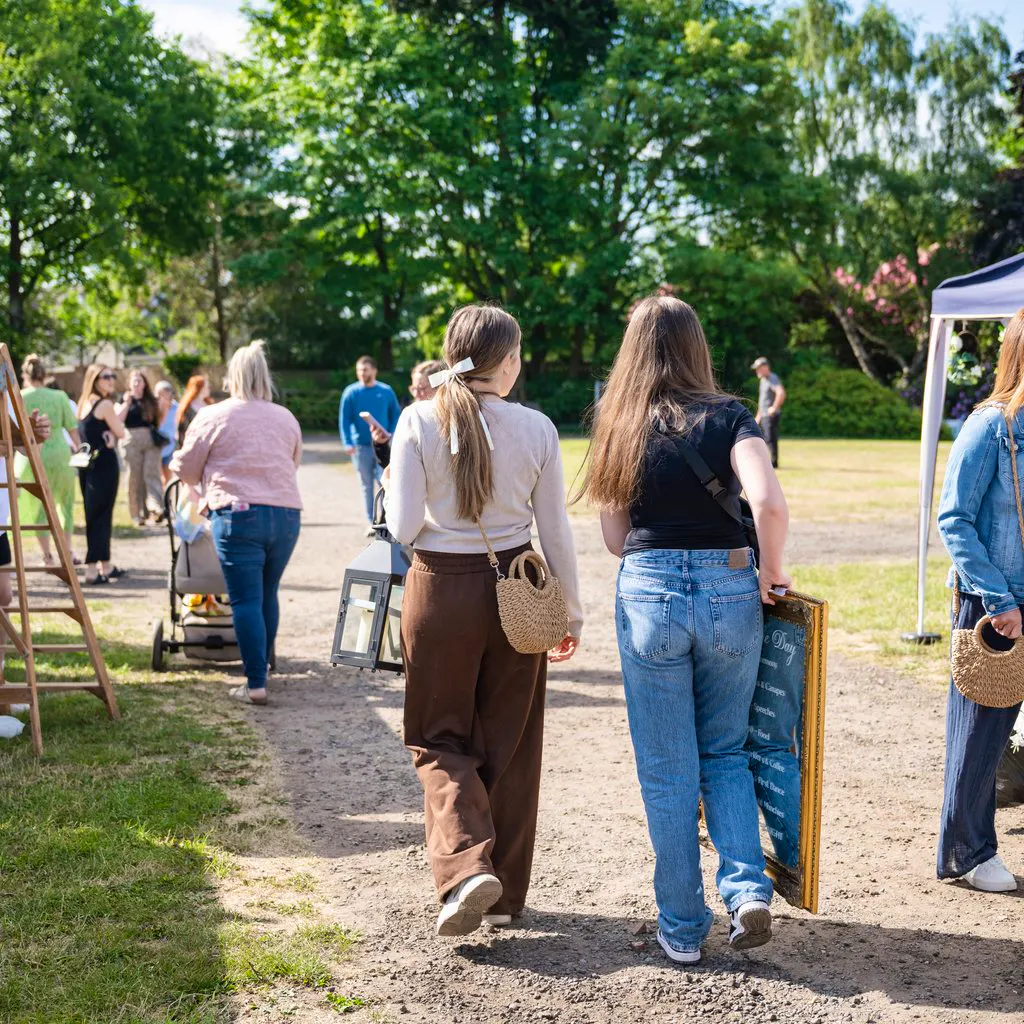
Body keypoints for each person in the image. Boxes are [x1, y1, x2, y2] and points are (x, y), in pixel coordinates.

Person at [577, 295, 791, 965]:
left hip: (649, 593)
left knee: (669, 771)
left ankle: (680, 925)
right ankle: (747, 889)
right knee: (725, 751)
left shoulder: (617, 425)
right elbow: (769, 504)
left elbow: (615, 539)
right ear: (697, 345)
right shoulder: (732, 416)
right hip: (731, 587)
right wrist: (771, 574)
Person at [386, 304, 582, 937]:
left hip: (441, 589)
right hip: (518, 590)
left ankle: (467, 869)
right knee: (513, 745)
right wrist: (568, 612)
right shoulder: (539, 428)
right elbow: (555, 529)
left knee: (438, 737)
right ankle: (503, 893)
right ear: (509, 361)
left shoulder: (418, 417)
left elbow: (402, 526)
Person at [936, 307, 1024, 894]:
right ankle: (966, 852)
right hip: (996, 606)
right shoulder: (990, 424)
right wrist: (999, 599)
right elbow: (955, 519)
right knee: (979, 735)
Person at [171, 340, 302, 706]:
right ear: (265, 377)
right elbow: (292, 464)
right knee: (267, 592)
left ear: (232, 376)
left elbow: (185, 468)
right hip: (287, 515)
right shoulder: (285, 417)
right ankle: (264, 666)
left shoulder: (213, 416)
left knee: (244, 598)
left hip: (238, 514)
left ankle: (255, 682)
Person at [14, 355, 81, 566]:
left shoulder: (19, 396)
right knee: (65, 505)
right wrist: (80, 451)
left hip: (30, 457)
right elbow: (72, 430)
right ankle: (67, 552)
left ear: (24, 375)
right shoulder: (60, 396)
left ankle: (48, 556)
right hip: (60, 455)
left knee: (38, 506)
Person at [77, 365, 129, 584]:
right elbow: (121, 431)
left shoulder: (83, 404)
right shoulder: (105, 404)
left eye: (112, 376)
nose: (111, 380)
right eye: (105, 377)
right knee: (101, 515)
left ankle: (105, 566)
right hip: (104, 465)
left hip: (86, 465)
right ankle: (91, 569)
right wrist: (113, 437)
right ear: (95, 379)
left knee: (95, 514)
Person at [339, 356, 400, 533]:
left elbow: (395, 415)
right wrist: (347, 442)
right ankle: (371, 521)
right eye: (359, 370)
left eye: (365, 369)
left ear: (374, 370)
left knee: (384, 482)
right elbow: (345, 419)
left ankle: (387, 519)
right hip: (361, 447)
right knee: (366, 486)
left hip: (383, 446)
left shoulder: (386, 391)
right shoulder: (350, 392)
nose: (361, 373)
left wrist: (392, 435)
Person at [371, 359, 446, 469]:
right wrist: (380, 445)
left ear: (440, 388)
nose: (416, 394)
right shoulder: (410, 415)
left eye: (421, 388)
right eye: (413, 388)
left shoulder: (450, 420)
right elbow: (395, 465)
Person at [117, 370, 164, 526]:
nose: (137, 384)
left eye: (140, 381)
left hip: (150, 440)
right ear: (130, 383)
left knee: (151, 474)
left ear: (145, 383)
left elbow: (158, 421)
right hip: (131, 439)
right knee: (134, 477)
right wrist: (126, 403)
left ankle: (156, 508)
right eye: (134, 381)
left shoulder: (150, 401)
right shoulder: (124, 399)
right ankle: (136, 513)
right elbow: (118, 421)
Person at [751, 356, 785, 469]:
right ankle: (769, 462)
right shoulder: (763, 381)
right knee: (766, 438)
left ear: (766, 367)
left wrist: (774, 408)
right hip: (764, 415)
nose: (757, 371)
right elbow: (762, 402)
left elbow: (781, 393)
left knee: (770, 438)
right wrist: (758, 417)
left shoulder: (772, 378)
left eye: (759, 368)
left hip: (770, 415)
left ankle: (773, 463)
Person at [175, 374, 214, 448]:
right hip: (192, 445)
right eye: (207, 387)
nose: (209, 389)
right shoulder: (187, 407)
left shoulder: (209, 405)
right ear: (200, 388)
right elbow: (183, 430)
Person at [154, 380, 179, 489]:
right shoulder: (153, 408)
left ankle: (166, 498)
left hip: (170, 446)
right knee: (156, 476)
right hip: (156, 445)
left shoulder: (177, 407)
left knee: (168, 477)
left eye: (167, 392)